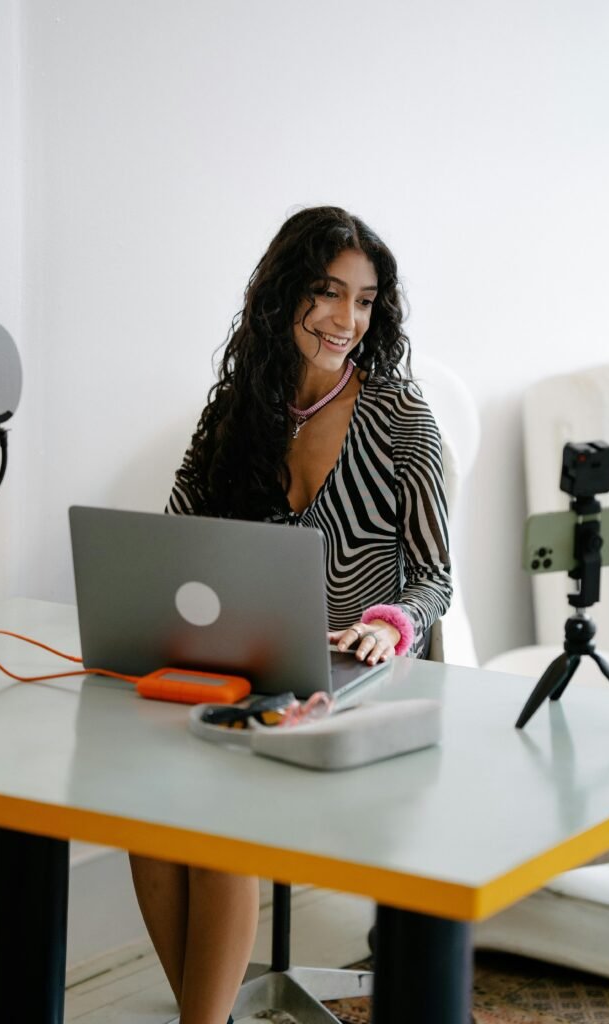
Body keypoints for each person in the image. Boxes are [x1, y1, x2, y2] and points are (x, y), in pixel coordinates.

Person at [129, 206, 452, 1024]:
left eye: (366, 300)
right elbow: (171, 547)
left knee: (219, 827)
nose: (347, 320)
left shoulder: (401, 422)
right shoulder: (238, 415)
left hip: (359, 689)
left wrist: (388, 624)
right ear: (283, 298)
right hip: (251, 681)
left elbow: (435, 580)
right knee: (149, 821)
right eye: (326, 293)